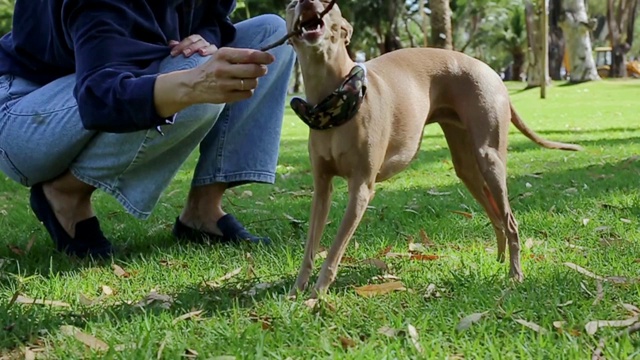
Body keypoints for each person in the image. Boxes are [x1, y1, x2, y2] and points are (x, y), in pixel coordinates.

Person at [0, 0, 296, 258]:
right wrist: (194, 82)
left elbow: (214, 19)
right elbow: (99, 96)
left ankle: (202, 211)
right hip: (22, 112)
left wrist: (202, 37)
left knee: (272, 32)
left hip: (98, 82)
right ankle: (65, 194)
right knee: (192, 74)